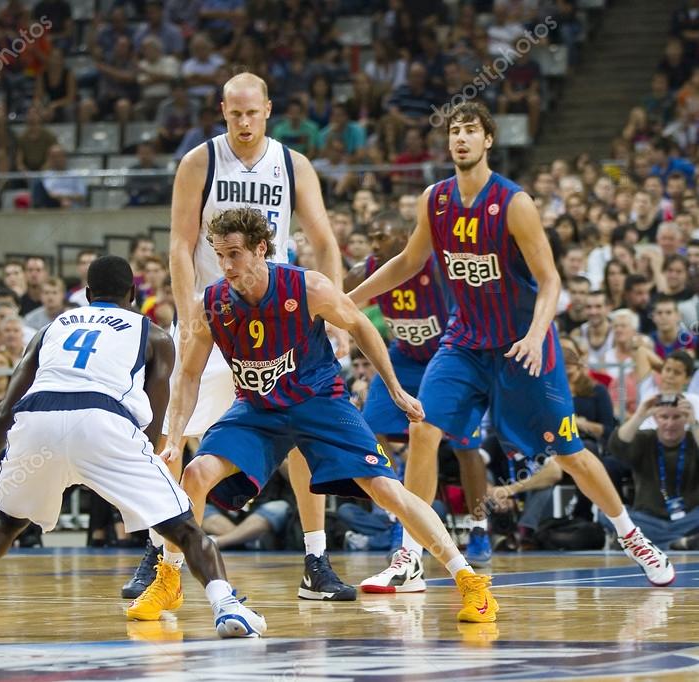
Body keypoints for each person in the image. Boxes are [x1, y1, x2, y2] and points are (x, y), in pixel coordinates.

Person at [349, 101, 674, 588]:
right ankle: (408, 554)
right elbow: (408, 262)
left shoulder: (514, 203)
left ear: (488, 141)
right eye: (454, 131)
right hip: (463, 343)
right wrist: (345, 300)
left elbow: (550, 281)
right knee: (423, 429)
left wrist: (538, 334)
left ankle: (632, 537)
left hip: (524, 345)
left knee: (569, 453)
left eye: (470, 131)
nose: (460, 139)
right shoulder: (434, 200)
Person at [136, 207, 496, 623]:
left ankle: (469, 581)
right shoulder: (212, 303)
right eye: (219, 255)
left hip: (319, 403)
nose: (226, 265)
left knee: (386, 489)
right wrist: (177, 436)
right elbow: (189, 374)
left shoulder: (308, 287)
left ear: (260, 249)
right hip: (258, 408)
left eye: (234, 254)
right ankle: (169, 580)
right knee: (195, 474)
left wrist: (395, 388)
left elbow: (361, 325)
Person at [0, 256, 266, 639]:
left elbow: (3, 414)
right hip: (103, 421)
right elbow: (153, 425)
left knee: (6, 522)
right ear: (132, 294)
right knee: (186, 530)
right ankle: (226, 606)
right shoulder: (153, 333)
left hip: (37, 420)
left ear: (88, 295)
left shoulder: (49, 329)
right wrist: (129, 476)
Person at [123, 72, 354, 604]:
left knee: (303, 438)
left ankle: (315, 560)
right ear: (222, 112)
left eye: (252, 113)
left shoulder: (292, 165)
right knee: (174, 435)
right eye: (234, 114)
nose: (244, 123)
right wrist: (187, 313)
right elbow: (180, 246)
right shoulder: (199, 162)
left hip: (283, 319)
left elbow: (322, 239)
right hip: (215, 316)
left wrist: (336, 313)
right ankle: (163, 557)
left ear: (268, 110)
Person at [345, 209, 492, 572]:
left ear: (407, 237)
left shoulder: (436, 268)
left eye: (382, 236)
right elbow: (339, 304)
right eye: (372, 238)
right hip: (404, 358)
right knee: (368, 431)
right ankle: (401, 518)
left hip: (447, 359)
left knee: (466, 447)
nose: (375, 244)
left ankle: (479, 527)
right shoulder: (365, 272)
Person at [607, 394, 699, 549]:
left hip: (689, 518)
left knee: (626, 534)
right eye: (664, 417)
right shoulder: (645, 438)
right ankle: (681, 542)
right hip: (647, 518)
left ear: (686, 419)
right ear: (656, 418)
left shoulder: (694, 438)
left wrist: (695, 424)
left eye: (676, 417)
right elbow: (616, 445)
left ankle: (650, 542)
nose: (670, 423)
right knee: (612, 516)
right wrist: (640, 415)